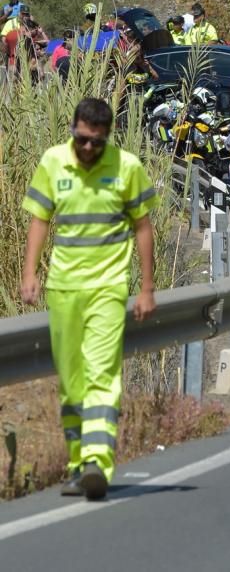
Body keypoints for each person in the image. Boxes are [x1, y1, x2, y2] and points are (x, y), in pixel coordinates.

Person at [20, 98, 158, 500]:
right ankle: (79, 464)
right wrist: (30, 273)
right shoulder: (52, 161)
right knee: (71, 382)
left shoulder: (126, 167)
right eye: (81, 140)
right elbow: (40, 218)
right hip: (62, 289)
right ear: (73, 129)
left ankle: (98, 460)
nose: (87, 150)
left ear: (107, 138)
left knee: (101, 374)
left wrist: (146, 288)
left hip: (107, 288)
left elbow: (143, 227)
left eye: (96, 144)